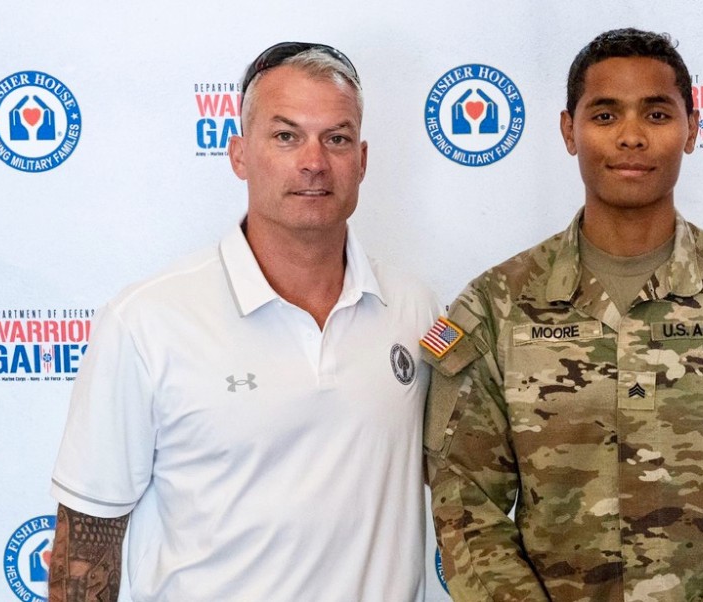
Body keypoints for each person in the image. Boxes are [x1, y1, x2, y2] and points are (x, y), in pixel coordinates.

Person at [423, 28, 703, 601]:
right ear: (570, 131)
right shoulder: (495, 307)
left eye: (657, 115)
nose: (632, 137)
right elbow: (467, 509)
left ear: (693, 129)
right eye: (606, 115)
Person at [48, 42, 436, 601]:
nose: (313, 161)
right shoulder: (146, 322)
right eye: (285, 136)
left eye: (337, 138)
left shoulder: (415, 308)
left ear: (362, 160)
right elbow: (87, 543)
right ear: (238, 154)